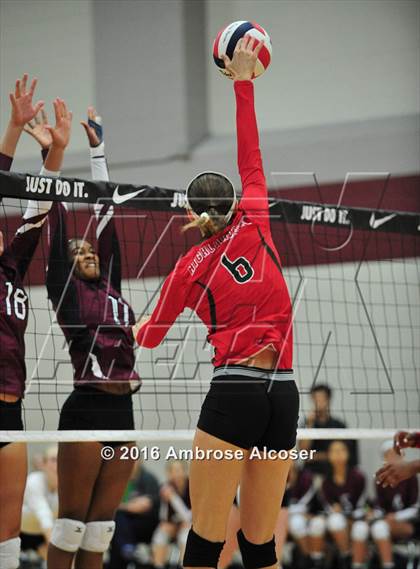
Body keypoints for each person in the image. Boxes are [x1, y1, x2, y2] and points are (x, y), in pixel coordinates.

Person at [134, 37, 299, 569]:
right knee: (260, 546)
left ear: (190, 211)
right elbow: (250, 154)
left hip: (234, 393)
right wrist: (244, 82)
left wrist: (134, 323)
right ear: (233, 201)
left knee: (204, 545)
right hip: (284, 394)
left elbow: (150, 337)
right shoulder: (255, 216)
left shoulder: (186, 268)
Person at [30, 107, 139, 569]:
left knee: (100, 530)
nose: (87, 250)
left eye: (90, 248)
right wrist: (50, 155)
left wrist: (97, 150)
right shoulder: (66, 291)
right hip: (87, 406)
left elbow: (105, 211)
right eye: (80, 251)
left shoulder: (111, 283)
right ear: (67, 267)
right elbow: (57, 232)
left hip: (124, 407)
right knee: (71, 524)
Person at [0, 74, 70, 569]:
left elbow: (40, 207)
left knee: (6, 531)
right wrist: (11, 128)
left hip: (12, 408)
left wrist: (54, 155)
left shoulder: (11, 264)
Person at [354, 441, 419, 569]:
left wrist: (396, 517)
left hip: (410, 523)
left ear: (402, 456)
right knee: (360, 527)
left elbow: (416, 508)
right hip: (384, 522)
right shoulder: (381, 478)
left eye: (396, 455)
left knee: (380, 527)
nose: (393, 458)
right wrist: (373, 514)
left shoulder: (411, 477)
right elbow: (378, 506)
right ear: (384, 459)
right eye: (389, 455)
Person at [312, 440, 366, 569]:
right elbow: (328, 507)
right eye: (334, 451)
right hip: (335, 521)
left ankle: (354, 563)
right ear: (329, 455)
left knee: (360, 528)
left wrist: (349, 517)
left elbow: (362, 505)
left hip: (355, 518)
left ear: (348, 454)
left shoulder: (358, 477)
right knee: (321, 522)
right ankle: (318, 561)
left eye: (341, 450)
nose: (338, 454)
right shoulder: (326, 481)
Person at [108, 461, 160, 569]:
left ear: (139, 462)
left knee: (119, 522)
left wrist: (122, 506)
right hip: (125, 524)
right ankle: (128, 552)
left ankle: (127, 551)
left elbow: (142, 507)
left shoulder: (148, 479)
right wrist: (129, 505)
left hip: (145, 523)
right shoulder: (121, 480)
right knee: (117, 522)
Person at [300, 384, 359, 474]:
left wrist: (318, 456)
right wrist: (309, 424)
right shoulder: (307, 424)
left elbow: (345, 455)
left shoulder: (339, 425)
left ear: (328, 400)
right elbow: (304, 453)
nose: (318, 402)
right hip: (312, 473)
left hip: (334, 473)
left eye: (321, 398)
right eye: (315, 398)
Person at [20, 446, 58, 560]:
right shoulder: (34, 481)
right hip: (20, 532)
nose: (58, 464)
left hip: (41, 533)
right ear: (43, 464)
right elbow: (44, 516)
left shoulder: (69, 487)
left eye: (61, 459)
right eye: (53, 459)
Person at [152, 460, 191, 568]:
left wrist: (173, 498)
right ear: (168, 473)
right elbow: (163, 517)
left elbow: (188, 517)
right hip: (173, 524)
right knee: (160, 535)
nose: (176, 474)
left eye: (178, 470)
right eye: (172, 471)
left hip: (190, 524)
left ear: (185, 471)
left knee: (186, 536)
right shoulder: (165, 487)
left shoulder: (192, 486)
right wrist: (168, 524)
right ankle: (158, 565)